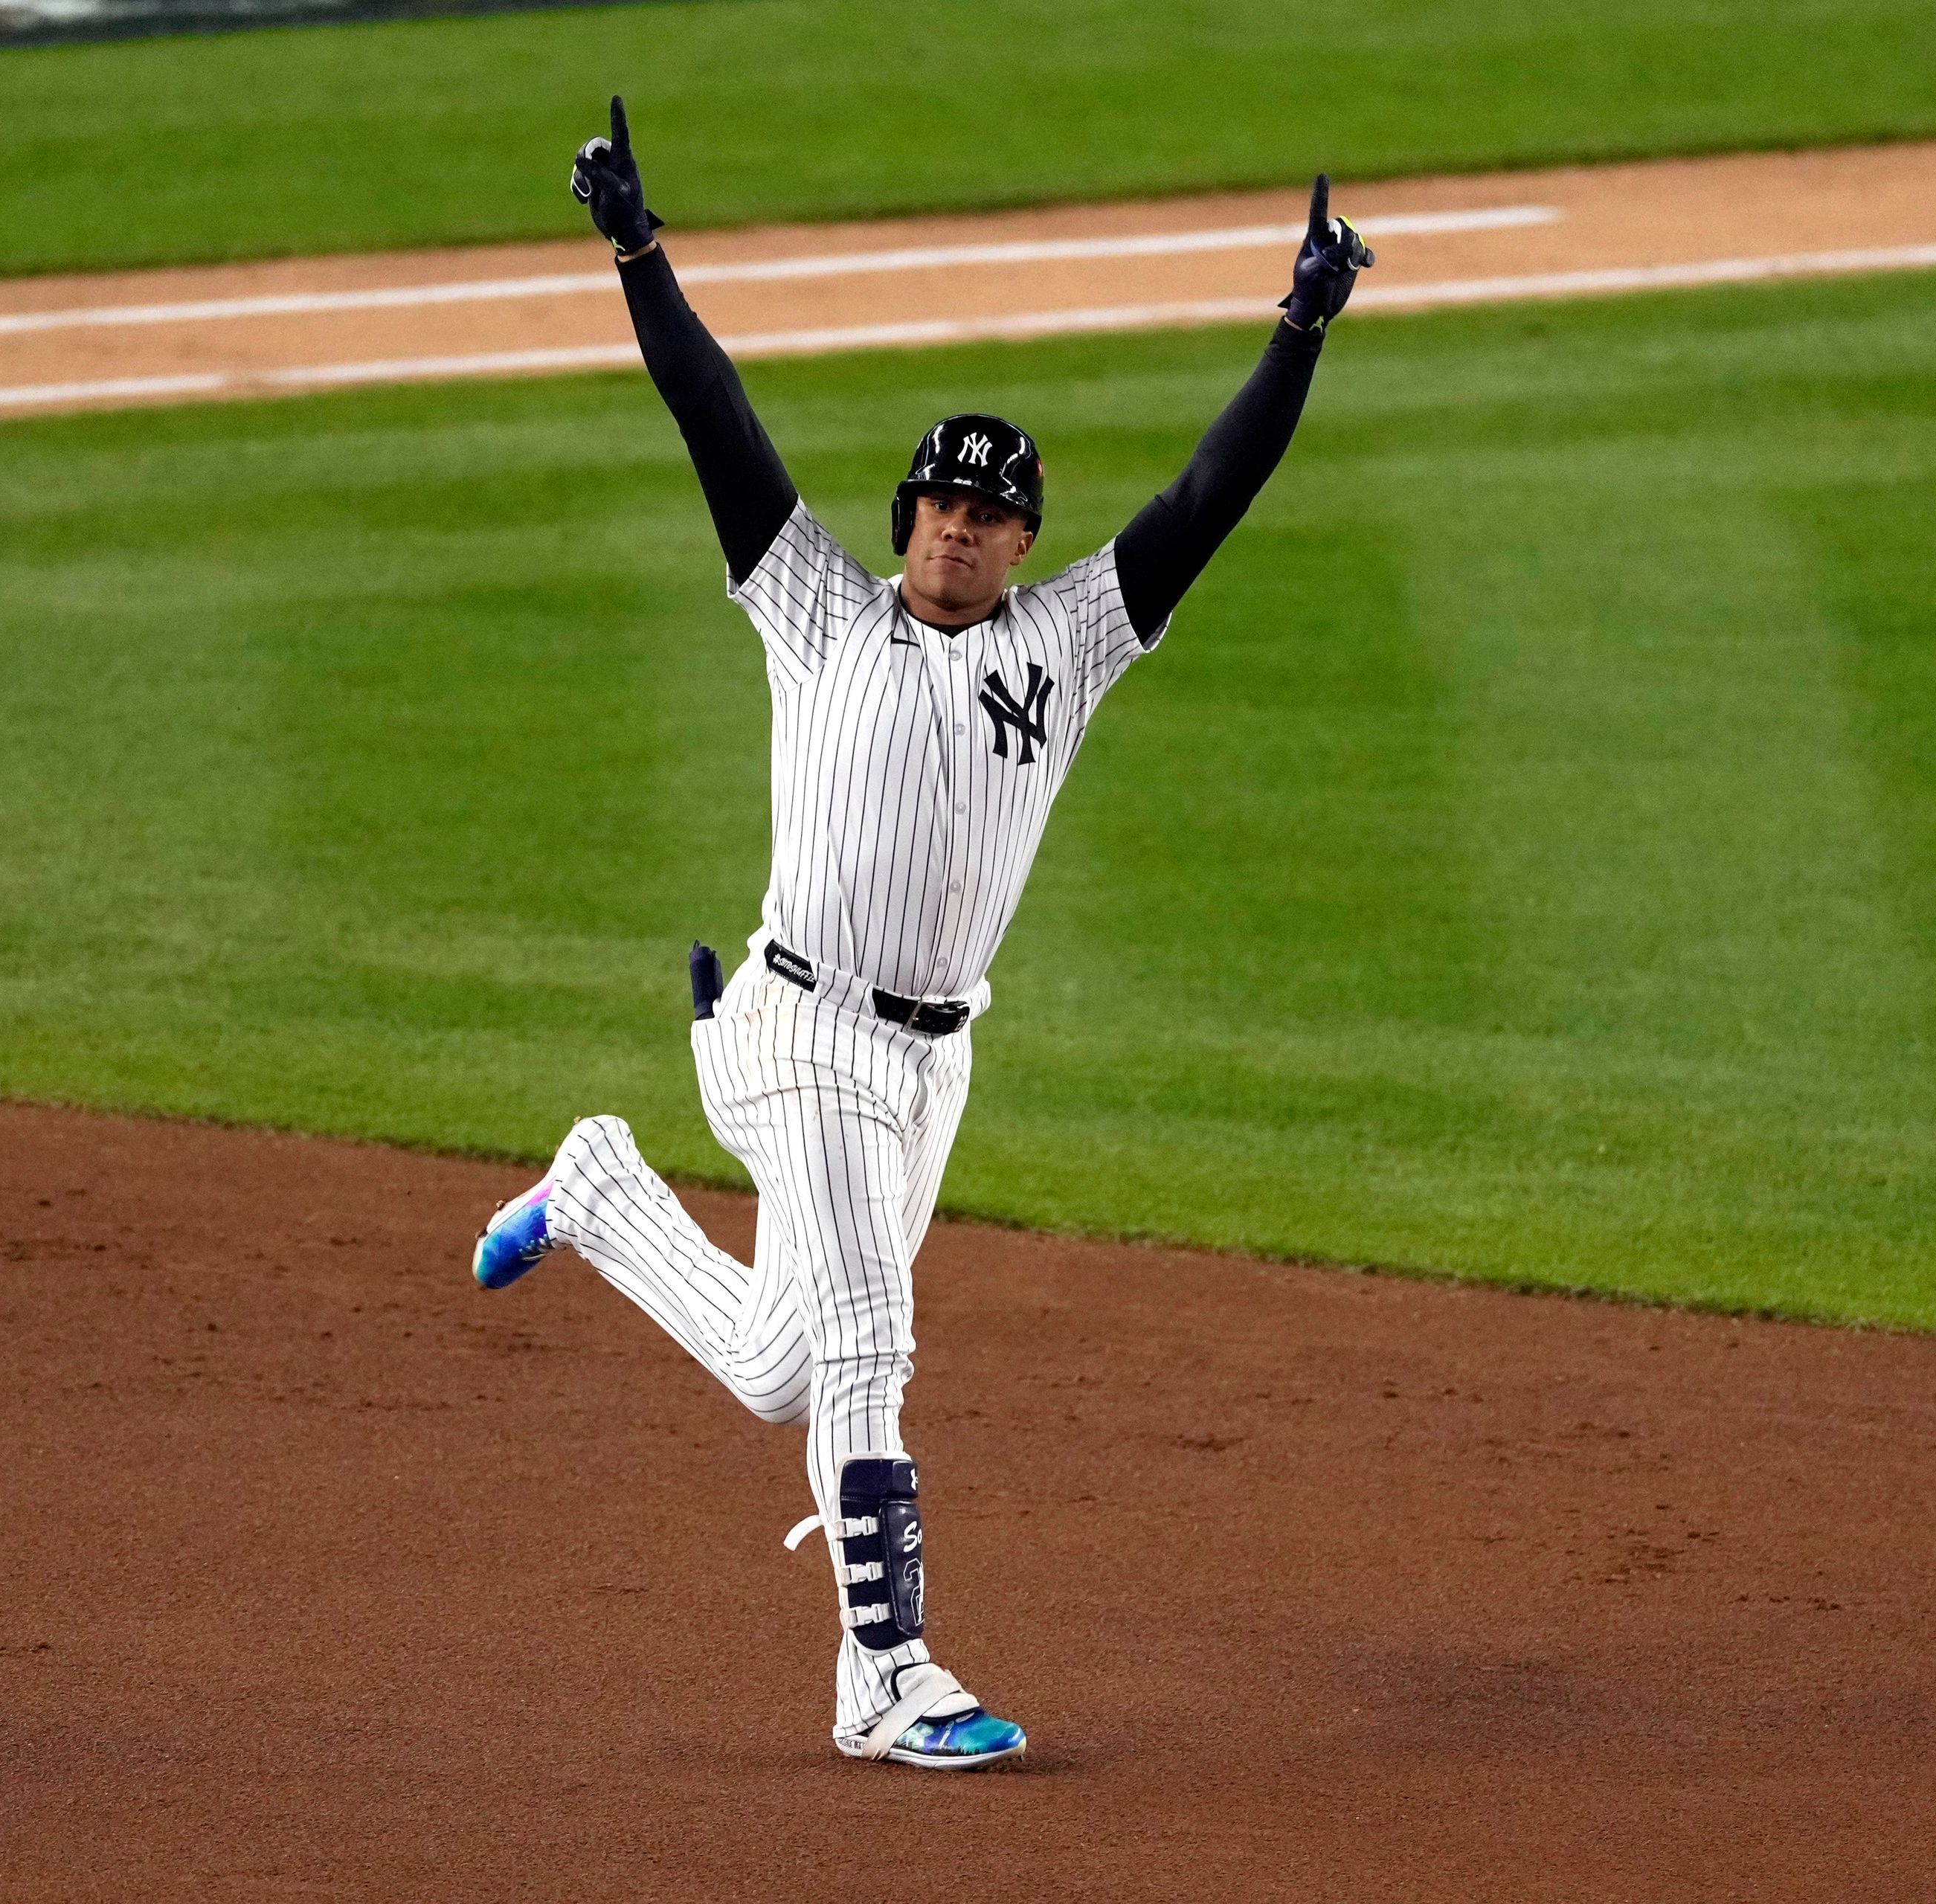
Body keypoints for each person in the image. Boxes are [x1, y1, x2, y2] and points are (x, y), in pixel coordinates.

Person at [472, 96, 1370, 1770]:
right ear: (906, 520)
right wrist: (637, 253)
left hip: (931, 1062)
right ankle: (882, 1674)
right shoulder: (811, 604)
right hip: (800, 1025)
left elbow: (1207, 494)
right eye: (937, 506)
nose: (958, 528)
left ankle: (597, 1182)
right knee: (878, 1340)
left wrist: (1301, 325)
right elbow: (711, 413)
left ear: (1024, 540)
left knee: (783, 1369)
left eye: (988, 512)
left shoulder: (1074, 645)